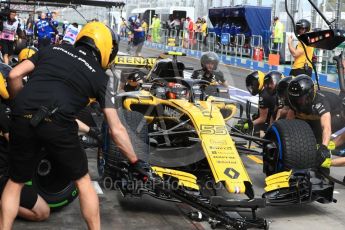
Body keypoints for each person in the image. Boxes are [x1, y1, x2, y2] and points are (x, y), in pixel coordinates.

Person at [1, 22, 151, 230]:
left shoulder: (53, 48)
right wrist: (135, 161)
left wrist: (19, 105)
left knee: (15, 182)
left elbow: (14, 75)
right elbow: (116, 129)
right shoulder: (102, 78)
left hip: (22, 118)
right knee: (83, 182)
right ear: (106, 48)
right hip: (57, 122)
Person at [0, 74, 50, 221]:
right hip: (3, 178)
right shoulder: (3, 111)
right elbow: (17, 143)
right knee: (43, 212)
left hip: (7, 174)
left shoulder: (9, 106)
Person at [287, 75, 345, 168]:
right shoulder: (293, 102)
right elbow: (288, 125)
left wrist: (324, 149)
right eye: (296, 100)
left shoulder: (321, 102)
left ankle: (321, 168)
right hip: (316, 115)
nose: (298, 102)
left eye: (301, 99)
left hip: (335, 113)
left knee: (319, 137)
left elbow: (326, 127)